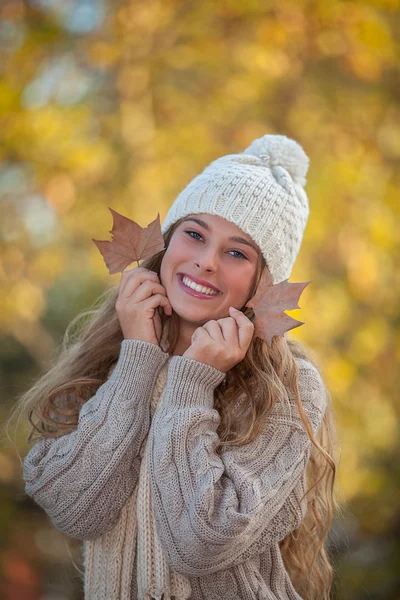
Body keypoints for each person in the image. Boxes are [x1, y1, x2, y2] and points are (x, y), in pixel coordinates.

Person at [11, 134, 339, 600]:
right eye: (195, 234)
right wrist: (138, 361)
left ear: (263, 285)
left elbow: (201, 544)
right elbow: (75, 509)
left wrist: (190, 384)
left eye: (237, 252)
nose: (205, 262)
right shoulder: (113, 351)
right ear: (167, 242)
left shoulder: (290, 386)